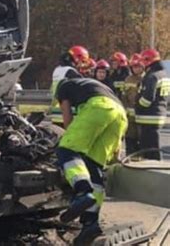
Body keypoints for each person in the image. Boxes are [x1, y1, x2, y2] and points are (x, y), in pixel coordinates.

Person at [55, 78, 127, 245]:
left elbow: (67, 121)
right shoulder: (89, 85)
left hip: (99, 107)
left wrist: (69, 139)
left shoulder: (63, 88)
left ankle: (81, 191)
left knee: (66, 149)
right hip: (120, 115)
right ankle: (90, 223)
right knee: (92, 166)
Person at [135, 49, 170, 160]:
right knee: (155, 147)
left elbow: (148, 98)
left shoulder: (153, 76)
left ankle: (152, 172)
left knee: (148, 150)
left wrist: (138, 107)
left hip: (148, 117)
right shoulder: (164, 75)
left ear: (147, 61)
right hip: (159, 114)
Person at [49, 46, 88, 125]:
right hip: (68, 111)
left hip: (56, 111)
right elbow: (82, 89)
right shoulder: (71, 71)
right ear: (77, 58)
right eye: (82, 61)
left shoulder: (57, 69)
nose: (82, 65)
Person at [122, 53, 145, 156]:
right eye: (134, 67)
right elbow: (124, 96)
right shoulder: (128, 79)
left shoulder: (146, 79)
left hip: (142, 116)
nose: (136, 69)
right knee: (130, 140)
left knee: (142, 141)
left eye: (138, 66)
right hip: (130, 117)